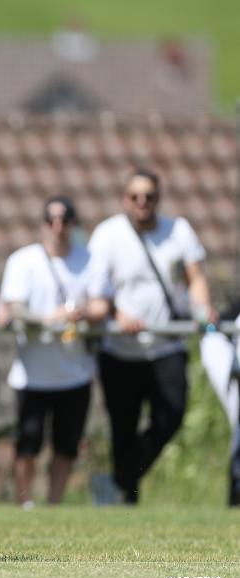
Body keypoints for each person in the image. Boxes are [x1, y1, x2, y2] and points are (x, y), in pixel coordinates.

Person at [88, 167, 218, 504]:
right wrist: (119, 315)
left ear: (158, 199)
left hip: (166, 345)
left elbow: (196, 278)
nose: (142, 203)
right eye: (135, 197)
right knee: (123, 427)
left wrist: (203, 308)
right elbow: (96, 293)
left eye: (149, 196)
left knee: (171, 415)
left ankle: (117, 482)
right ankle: (125, 498)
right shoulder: (107, 235)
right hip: (121, 349)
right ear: (125, 199)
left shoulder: (179, 231)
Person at [0, 196, 108, 507]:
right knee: (28, 443)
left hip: (75, 372)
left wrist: (83, 312)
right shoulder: (23, 261)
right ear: (43, 224)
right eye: (51, 220)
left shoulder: (91, 260)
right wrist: (51, 318)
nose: (57, 227)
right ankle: (25, 503)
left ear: (73, 224)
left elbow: (103, 304)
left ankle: (54, 503)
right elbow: (15, 307)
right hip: (32, 374)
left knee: (66, 445)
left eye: (64, 220)